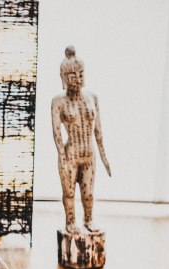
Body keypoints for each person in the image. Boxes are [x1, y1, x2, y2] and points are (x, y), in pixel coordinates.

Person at [51, 46, 111, 233]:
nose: (78, 78)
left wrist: (104, 157)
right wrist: (61, 155)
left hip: (89, 152)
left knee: (89, 193)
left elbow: (98, 131)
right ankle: (70, 221)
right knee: (69, 192)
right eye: (72, 75)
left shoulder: (92, 98)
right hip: (71, 154)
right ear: (64, 78)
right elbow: (57, 133)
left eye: (81, 73)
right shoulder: (58, 102)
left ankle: (89, 218)